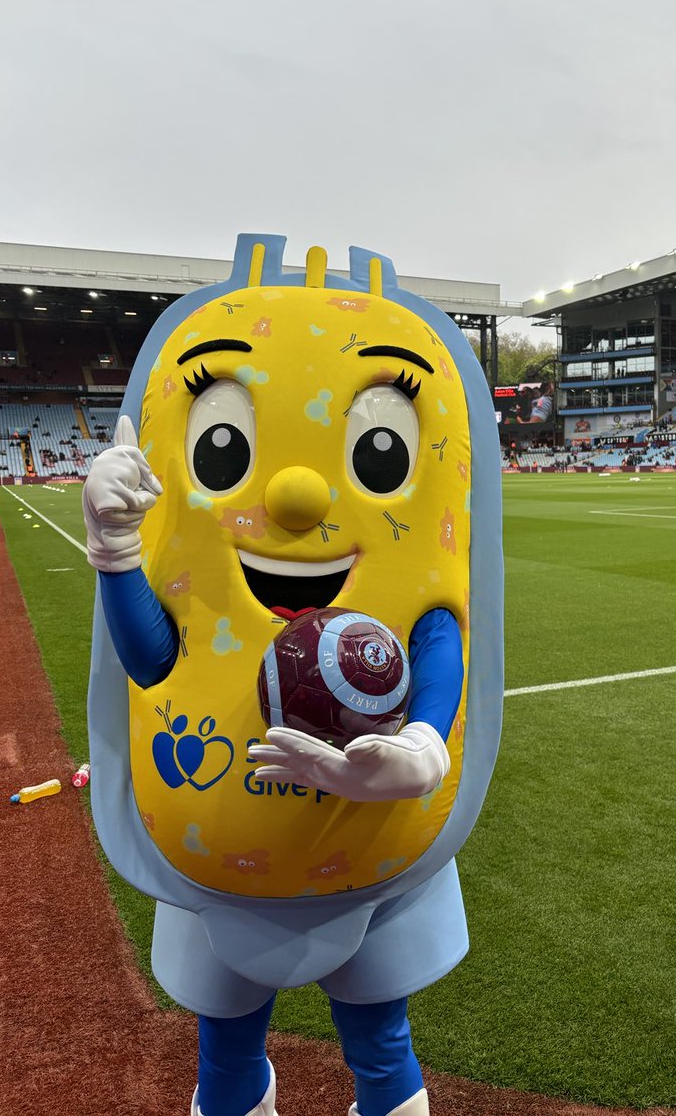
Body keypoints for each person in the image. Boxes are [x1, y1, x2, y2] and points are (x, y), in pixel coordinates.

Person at [83, 235, 504, 1116]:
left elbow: (440, 646)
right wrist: (119, 552)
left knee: (381, 1041)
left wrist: (424, 748)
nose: (300, 497)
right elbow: (155, 660)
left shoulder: (407, 602)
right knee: (228, 1049)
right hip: (217, 863)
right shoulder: (198, 578)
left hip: (371, 852)